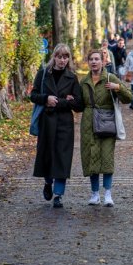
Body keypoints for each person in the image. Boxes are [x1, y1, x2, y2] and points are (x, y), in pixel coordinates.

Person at [30, 44, 84, 208]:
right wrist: (46, 98)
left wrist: (61, 102)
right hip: (46, 122)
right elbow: (33, 95)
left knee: (62, 157)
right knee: (47, 156)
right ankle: (48, 182)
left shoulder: (72, 77)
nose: (62, 60)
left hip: (64, 124)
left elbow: (79, 104)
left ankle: (59, 194)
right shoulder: (43, 73)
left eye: (65, 57)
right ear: (54, 57)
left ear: (69, 59)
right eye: (59, 57)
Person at [80, 49, 133, 207]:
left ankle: (108, 194)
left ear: (103, 62)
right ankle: (95, 194)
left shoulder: (110, 78)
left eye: (97, 59)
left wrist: (118, 87)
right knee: (92, 159)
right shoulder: (83, 82)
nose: (94, 62)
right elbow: (79, 104)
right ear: (88, 62)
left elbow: (128, 98)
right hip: (89, 124)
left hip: (107, 123)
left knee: (107, 159)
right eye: (91, 59)